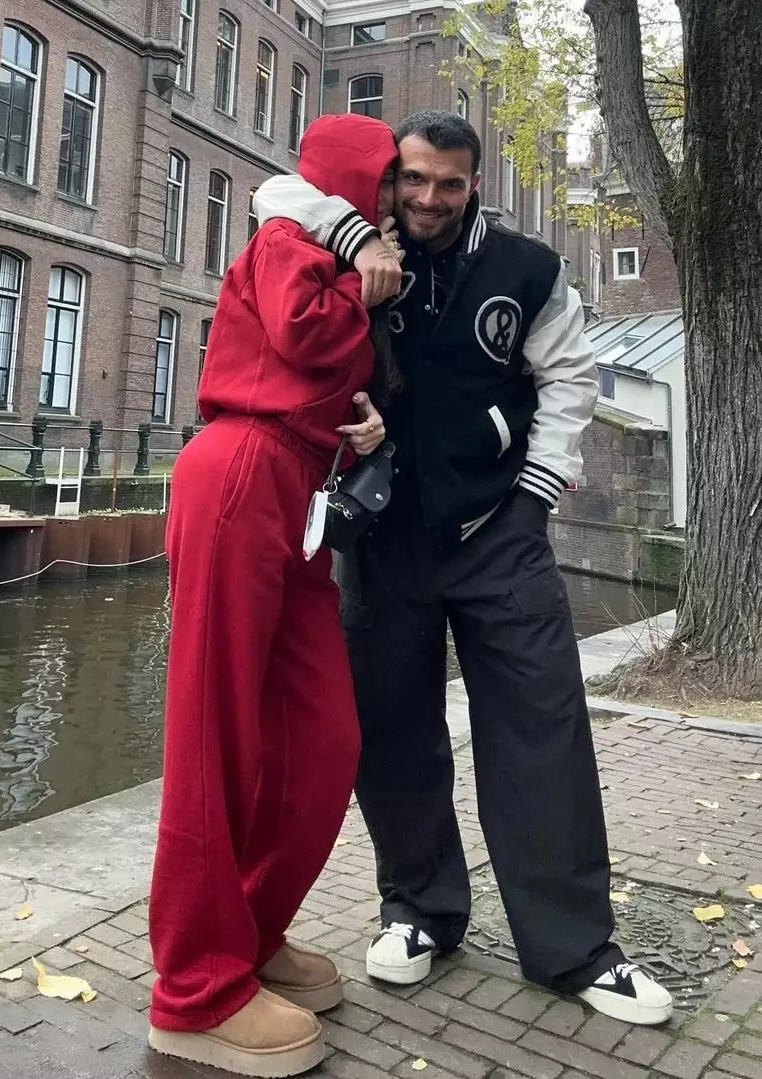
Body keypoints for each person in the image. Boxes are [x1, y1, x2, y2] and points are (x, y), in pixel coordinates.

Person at [252, 110, 674, 1027]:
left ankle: (576, 948)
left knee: (542, 726)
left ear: (474, 183)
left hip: (498, 533)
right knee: (394, 731)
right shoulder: (351, 238)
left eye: (450, 182)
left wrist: (533, 495)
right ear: (390, 178)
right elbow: (270, 194)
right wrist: (357, 235)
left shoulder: (527, 268)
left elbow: (571, 378)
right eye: (413, 178)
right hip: (386, 535)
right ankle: (419, 909)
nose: (430, 198)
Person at [147, 113, 400, 1077]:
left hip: (297, 493)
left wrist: (362, 425)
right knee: (214, 731)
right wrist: (364, 266)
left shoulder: (326, 246)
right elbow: (304, 329)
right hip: (241, 474)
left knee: (321, 735)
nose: (395, 204)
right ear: (353, 182)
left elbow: (321, 370)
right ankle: (193, 990)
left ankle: (248, 931)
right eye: (385, 183)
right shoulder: (288, 237)